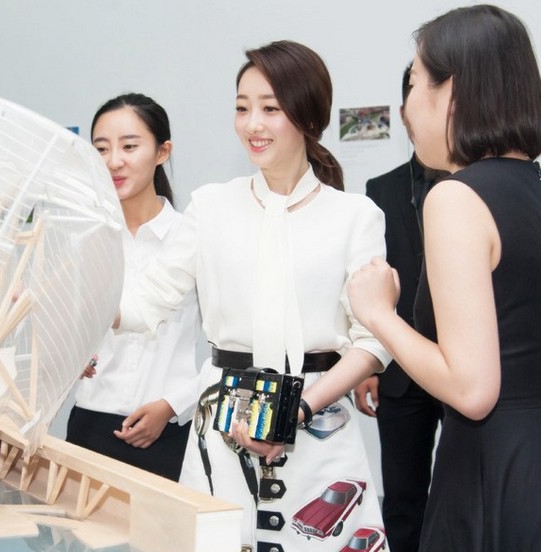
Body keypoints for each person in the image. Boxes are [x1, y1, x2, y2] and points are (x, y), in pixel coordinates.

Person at [348, 5, 541, 551]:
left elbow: (472, 390)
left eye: (416, 83)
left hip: (494, 485)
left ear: (452, 92)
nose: (408, 106)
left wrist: (378, 315)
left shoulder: (456, 197)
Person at [117, 40, 389, 551]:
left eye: (270, 108)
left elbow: (373, 341)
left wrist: (299, 411)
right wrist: (68, 294)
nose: (252, 124)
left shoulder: (355, 216)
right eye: (242, 108)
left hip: (318, 423)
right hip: (223, 420)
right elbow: (142, 303)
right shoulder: (211, 207)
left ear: (308, 115)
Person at [66, 93, 201, 482]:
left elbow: (229, 348)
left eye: (129, 146)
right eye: (101, 149)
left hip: (169, 428)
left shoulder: (191, 238)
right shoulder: (86, 239)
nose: (113, 161)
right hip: (90, 423)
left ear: (162, 152)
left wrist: (173, 404)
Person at [352, 63, 444, 552]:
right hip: (400, 369)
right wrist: (368, 363)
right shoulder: (381, 190)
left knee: (463, 493)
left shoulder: (476, 186)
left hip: (463, 365)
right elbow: (367, 278)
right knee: (403, 495)